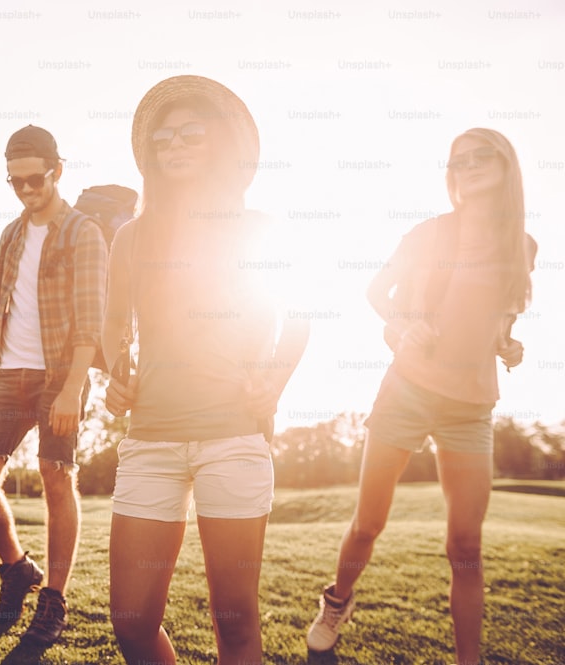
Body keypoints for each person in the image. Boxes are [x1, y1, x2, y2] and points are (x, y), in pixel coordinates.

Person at [306, 128, 537, 665]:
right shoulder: (429, 234)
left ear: (507, 167)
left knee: (466, 548)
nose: (469, 166)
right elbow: (375, 293)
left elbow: (500, 318)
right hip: (408, 390)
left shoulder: (522, 245)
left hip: (471, 409)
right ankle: (337, 603)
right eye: (459, 160)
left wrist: (508, 344)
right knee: (368, 524)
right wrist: (405, 323)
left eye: (483, 157)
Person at [101, 75, 310, 664]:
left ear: (221, 142)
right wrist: (118, 370)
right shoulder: (132, 237)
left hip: (234, 438)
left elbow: (300, 314)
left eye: (190, 131)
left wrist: (275, 377)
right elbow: (114, 326)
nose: (173, 143)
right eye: (162, 136)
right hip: (150, 441)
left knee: (236, 622)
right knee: (132, 622)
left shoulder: (260, 230)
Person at [0, 125, 108, 646]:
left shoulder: (84, 233)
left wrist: (72, 388)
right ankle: (16, 567)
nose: (27, 190)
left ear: (57, 171)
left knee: (56, 475)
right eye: (16, 183)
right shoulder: (12, 234)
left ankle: (53, 598)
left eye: (35, 179)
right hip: (9, 372)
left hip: (60, 373)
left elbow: (90, 321)